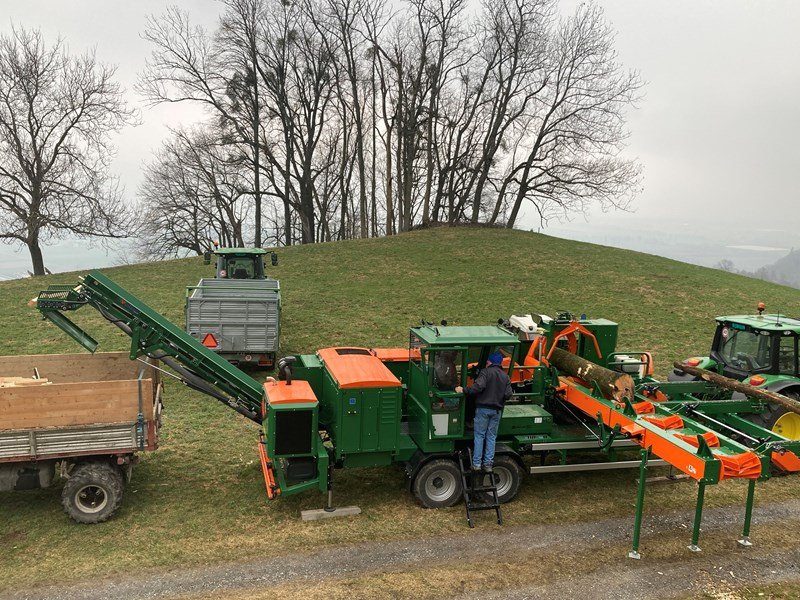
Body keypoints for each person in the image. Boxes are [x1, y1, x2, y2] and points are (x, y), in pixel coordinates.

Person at [455, 351, 512, 472]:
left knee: (479, 436)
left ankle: (476, 464)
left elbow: (478, 387)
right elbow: (508, 394)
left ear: (490, 362)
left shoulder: (485, 372)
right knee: (491, 437)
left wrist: (463, 390)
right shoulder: (505, 376)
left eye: (487, 362)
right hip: (496, 411)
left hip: (483, 410)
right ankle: (488, 465)